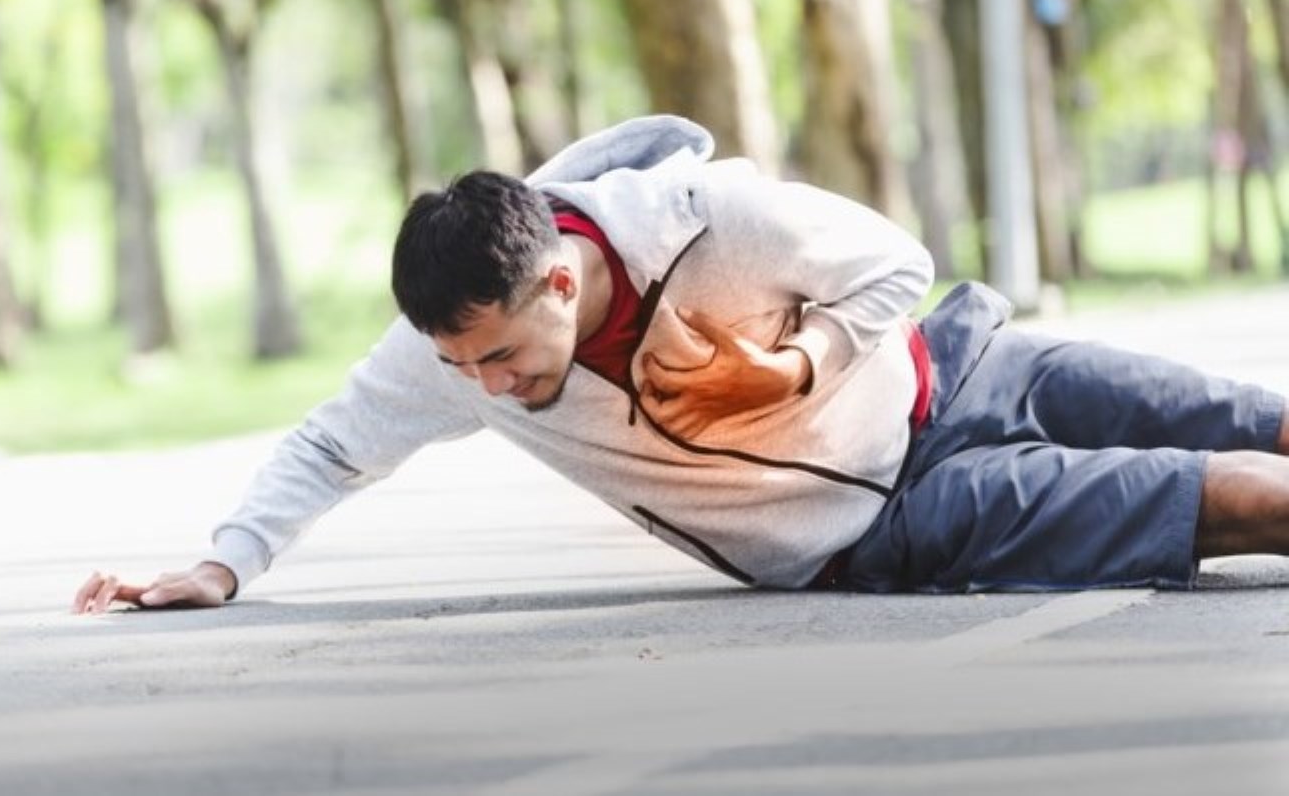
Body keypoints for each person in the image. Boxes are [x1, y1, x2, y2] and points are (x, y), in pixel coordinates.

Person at [73, 115, 1289, 614]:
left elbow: (893, 262)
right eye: (461, 369)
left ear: (556, 277)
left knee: (1256, 417)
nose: (484, 388)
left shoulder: (710, 217)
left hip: (959, 367)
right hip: (890, 520)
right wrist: (219, 567)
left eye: (498, 357)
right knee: (1239, 496)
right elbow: (328, 445)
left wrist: (795, 369)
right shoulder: (450, 351)